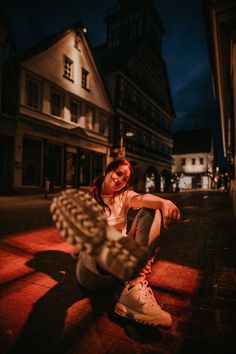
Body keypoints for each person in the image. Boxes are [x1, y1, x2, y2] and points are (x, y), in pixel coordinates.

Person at [50, 159, 180, 328]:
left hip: (119, 274)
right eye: (118, 173)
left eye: (125, 179)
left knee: (152, 209)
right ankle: (134, 275)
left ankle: (134, 287)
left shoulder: (124, 197)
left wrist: (164, 203)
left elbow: (142, 198)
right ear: (108, 171)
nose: (120, 179)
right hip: (93, 274)